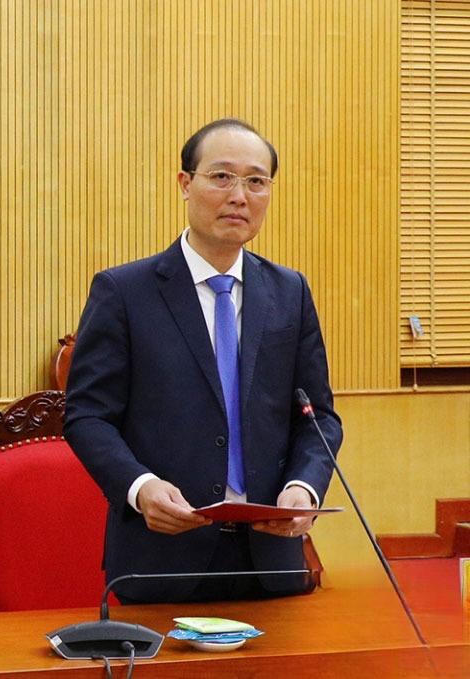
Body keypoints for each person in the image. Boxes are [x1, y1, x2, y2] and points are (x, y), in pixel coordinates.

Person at [64, 118, 343, 604]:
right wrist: (140, 487)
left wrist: (304, 487)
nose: (240, 196)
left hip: (271, 559)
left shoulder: (290, 292)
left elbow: (317, 416)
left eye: (256, 181)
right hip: (162, 556)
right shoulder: (124, 292)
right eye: (222, 177)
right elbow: (87, 416)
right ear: (185, 183)